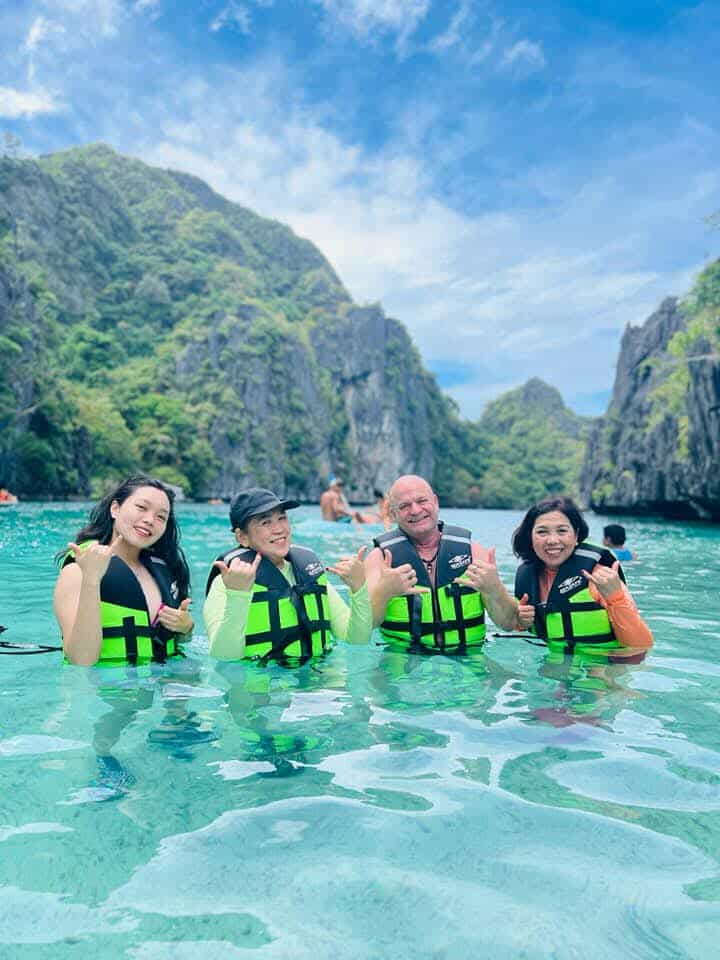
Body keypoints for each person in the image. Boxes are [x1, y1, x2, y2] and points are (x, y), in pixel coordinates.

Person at [204, 487, 373, 661]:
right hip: (264, 683)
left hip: (319, 683)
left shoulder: (308, 572)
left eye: (282, 518)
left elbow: (357, 640)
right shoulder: (226, 582)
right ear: (242, 537)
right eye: (265, 522)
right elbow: (223, 657)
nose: (279, 529)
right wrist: (237, 595)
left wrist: (359, 587)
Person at [364, 474, 521, 652]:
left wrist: (495, 589)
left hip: (468, 658)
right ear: (393, 514)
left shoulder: (475, 554)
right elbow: (365, 625)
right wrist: (383, 593)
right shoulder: (379, 560)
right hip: (403, 662)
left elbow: (508, 623)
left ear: (436, 502)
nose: (415, 510)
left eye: (422, 501)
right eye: (404, 506)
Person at [54, 475, 193, 667]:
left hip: (158, 683)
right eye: (141, 508)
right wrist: (91, 580)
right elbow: (80, 661)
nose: (150, 520)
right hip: (104, 690)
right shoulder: (78, 568)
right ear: (115, 509)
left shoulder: (164, 568)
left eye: (161, 516)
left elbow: (179, 641)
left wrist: (186, 628)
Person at [512, 496, 653, 657]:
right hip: (552, 670)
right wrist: (521, 622)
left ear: (576, 535)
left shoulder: (598, 577)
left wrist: (617, 599)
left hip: (601, 671)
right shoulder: (527, 577)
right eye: (542, 532)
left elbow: (641, 647)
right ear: (530, 537)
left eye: (562, 531)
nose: (552, 540)